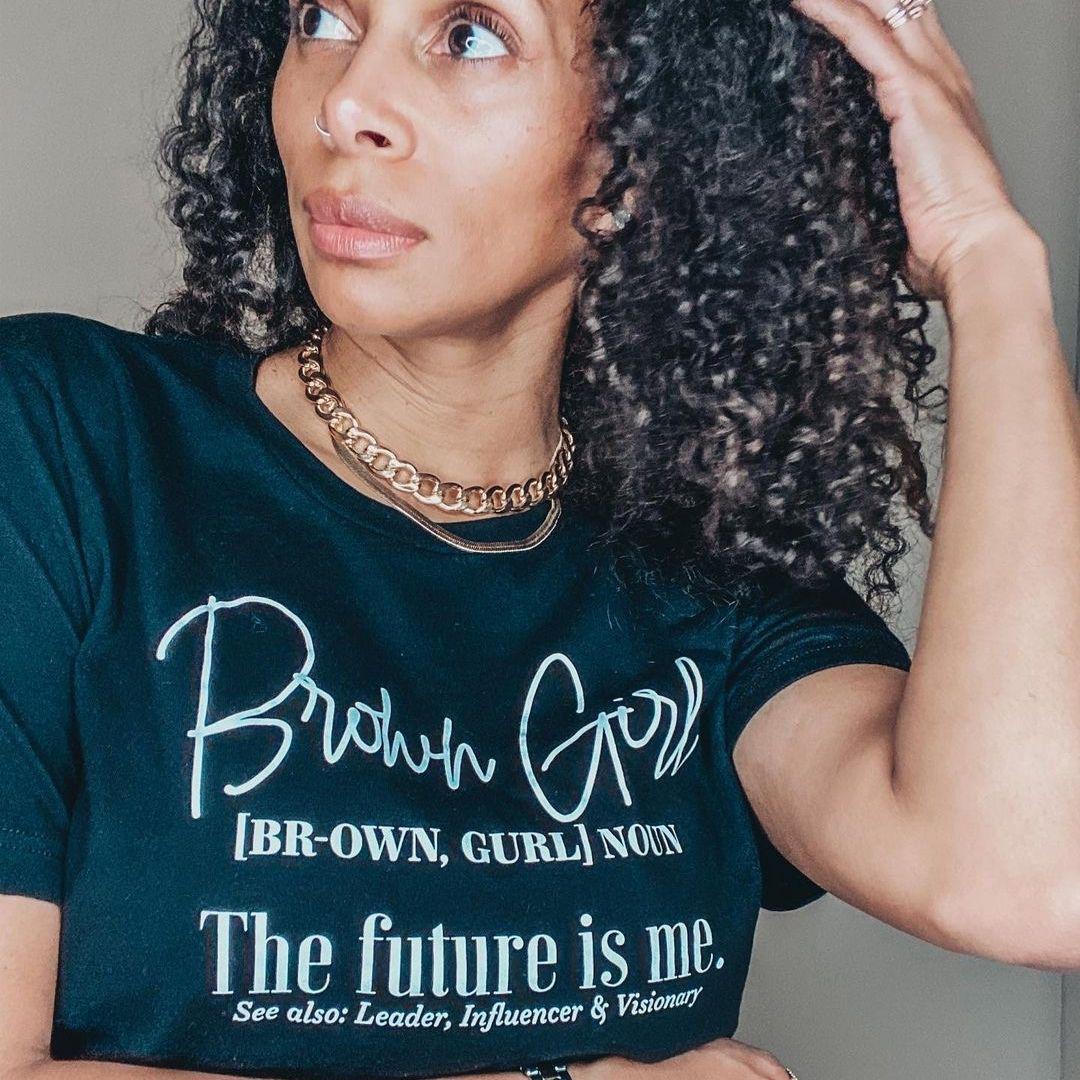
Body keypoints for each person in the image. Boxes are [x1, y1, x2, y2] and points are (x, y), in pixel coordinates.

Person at [1, 0, 1077, 1079]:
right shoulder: (63, 439)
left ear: (640, 154)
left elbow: (1032, 880)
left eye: (470, 36)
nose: (349, 102)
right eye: (323, 17)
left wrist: (989, 264)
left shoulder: (703, 567)